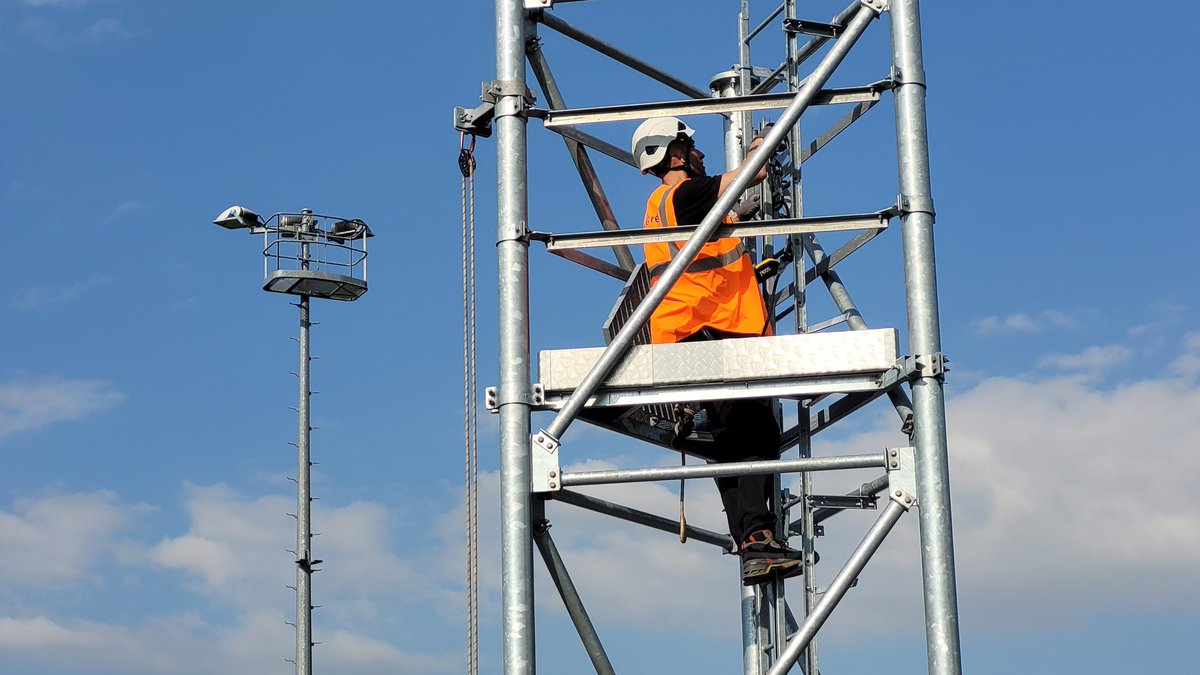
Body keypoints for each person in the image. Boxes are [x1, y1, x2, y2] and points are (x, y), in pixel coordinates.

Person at [630, 116, 803, 585]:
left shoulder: (671, 204)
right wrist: (765, 144)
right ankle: (757, 538)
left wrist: (742, 219)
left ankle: (753, 540)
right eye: (690, 146)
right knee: (754, 433)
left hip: (696, 333)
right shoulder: (685, 194)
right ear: (676, 154)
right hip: (710, 329)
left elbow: (719, 225)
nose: (699, 154)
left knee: (734, 439)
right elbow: (754, 173)